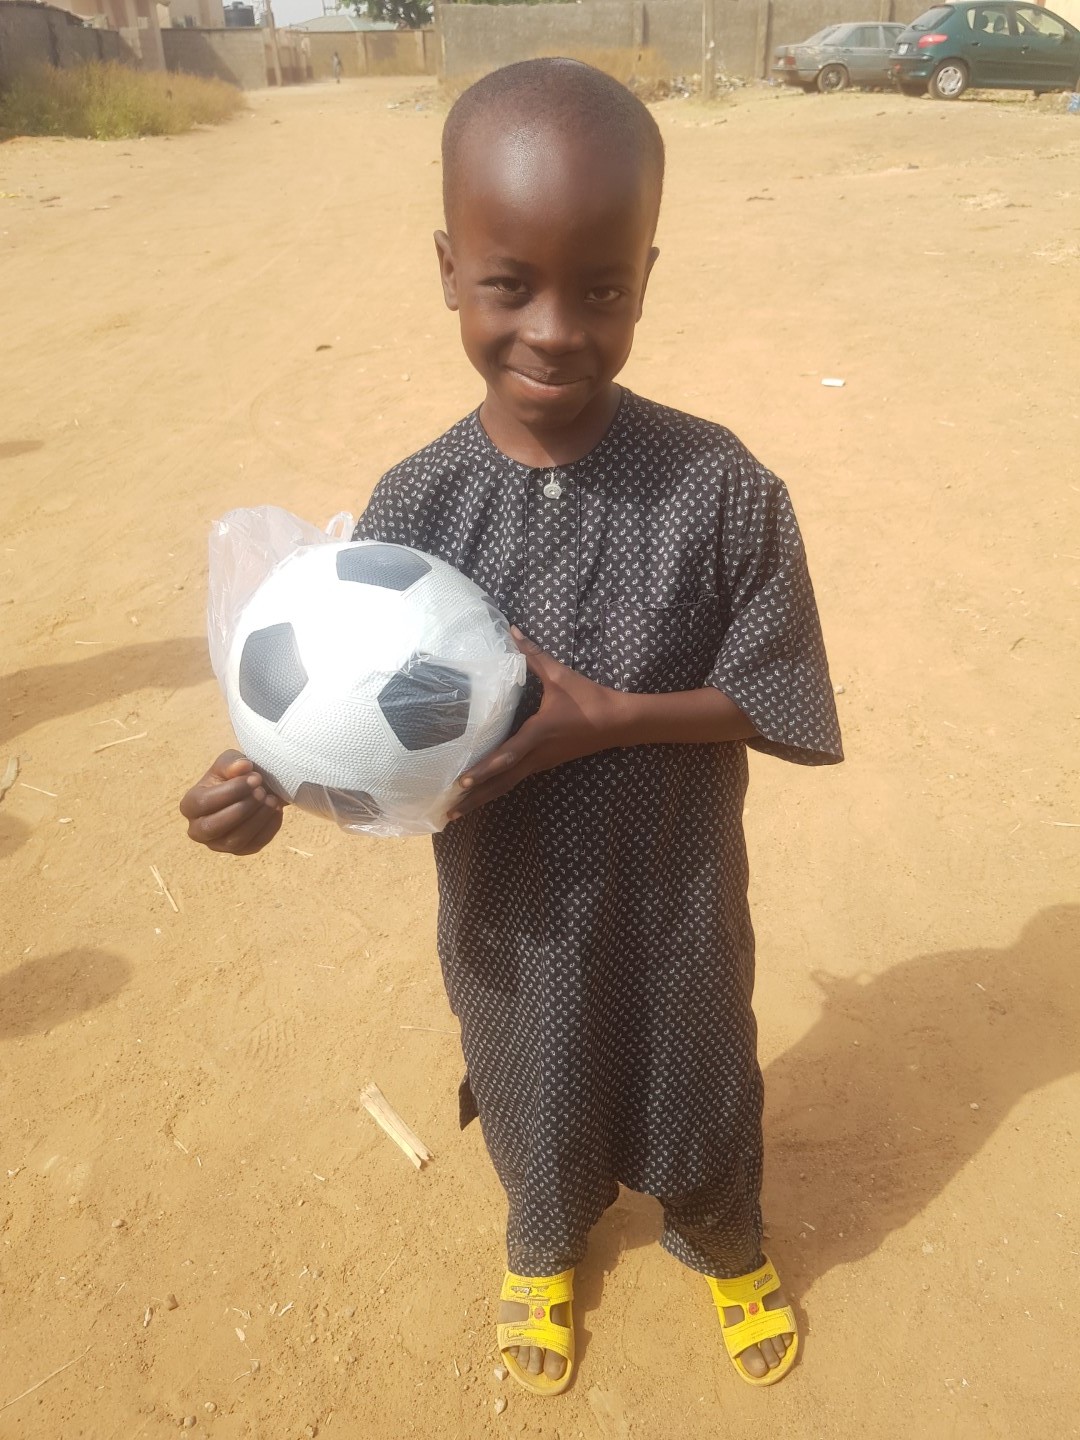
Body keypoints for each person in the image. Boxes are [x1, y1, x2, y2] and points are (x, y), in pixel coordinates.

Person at [179, 59, 842, 1398]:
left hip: (672, 895)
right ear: (448, 269)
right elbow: (353, 725)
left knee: (701, 1070)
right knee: (531, 1076)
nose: (554, 330)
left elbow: (776, 695)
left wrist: (613, 720)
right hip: (509, 907)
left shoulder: (719, 486)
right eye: (508, 285)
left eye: (601, 290)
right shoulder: (415, 511)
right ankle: (541, 1239)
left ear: (646, 276)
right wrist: (268, 790)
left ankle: (722, 1236)